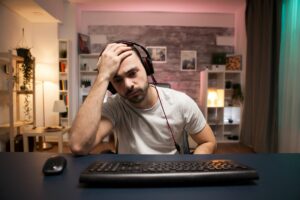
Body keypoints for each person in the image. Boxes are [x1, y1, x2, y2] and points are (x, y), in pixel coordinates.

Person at [69, 41, 216, 155]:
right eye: (117, 80)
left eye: (132, 73)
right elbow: (78, 145)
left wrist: (193, 166)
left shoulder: (181, 102)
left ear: (147, 68)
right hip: (130, 179)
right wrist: (103, 76)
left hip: (170, 176)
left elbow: (208, 141)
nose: (128, 85)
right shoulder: (115, 106)